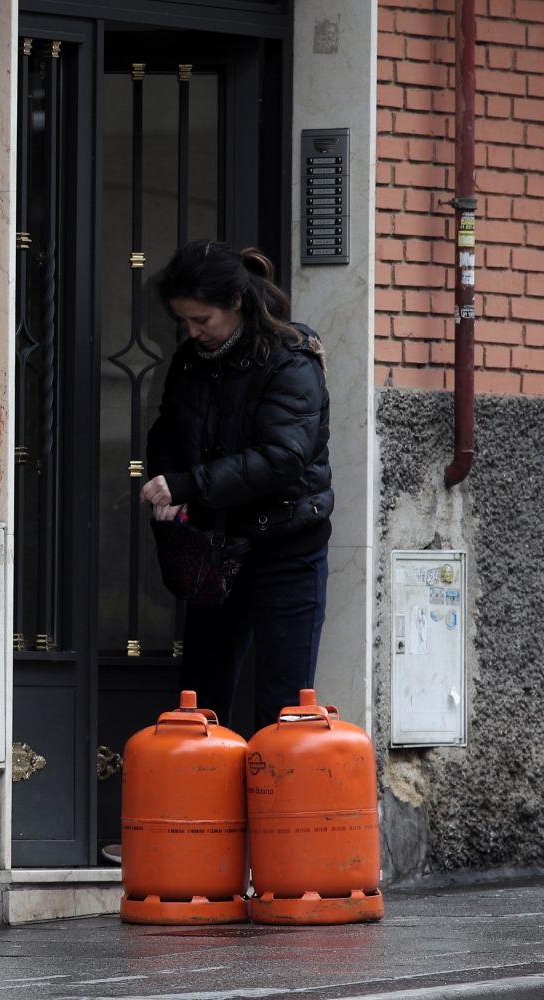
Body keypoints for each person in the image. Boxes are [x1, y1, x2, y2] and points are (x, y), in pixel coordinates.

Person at [140, 239, 333, 734]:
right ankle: (209, 811)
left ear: (236, 303)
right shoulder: (189, 362)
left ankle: (276, 811)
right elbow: (166, 430)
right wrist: (169, 486)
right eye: (184, 320)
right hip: (217, 549)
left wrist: (188, 485)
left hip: (286, 549)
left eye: (202, 320)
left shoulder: (291, 357)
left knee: (284, 709)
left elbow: (283, 458)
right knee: (200, 704)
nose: (192, 331)